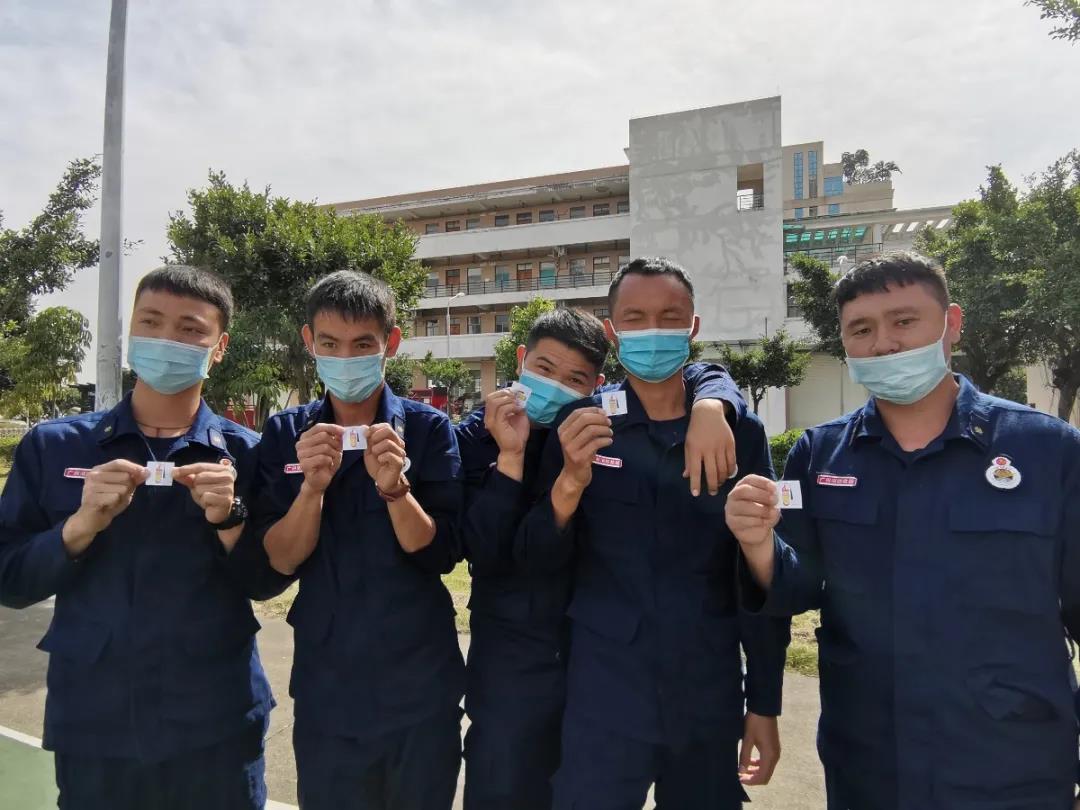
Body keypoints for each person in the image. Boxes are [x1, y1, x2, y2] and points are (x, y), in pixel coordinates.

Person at [726, 251, 1080, 809]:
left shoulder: (1046, 449)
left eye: (904, 320)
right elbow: (794, 589)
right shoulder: (819, 456)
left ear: (951, 324)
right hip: (869, 757)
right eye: (861, 329)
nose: (885, 344)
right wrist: (756, 544)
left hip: (1013, 757)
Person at [517, 257, 791, 810]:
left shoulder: (739, 430)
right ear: (612, 332)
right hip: (603, 690)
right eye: (635, 318)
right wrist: (569, 481)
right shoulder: (581, 425)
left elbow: (758, 574)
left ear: (693, 327)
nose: (653, 331)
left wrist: (763, 700)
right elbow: (537, 559)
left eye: (670, 316)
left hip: (706, 690)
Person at [0, 265, 274, 810]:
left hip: (215, 724)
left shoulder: (249, 454)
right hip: (95, 724)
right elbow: (9, 581)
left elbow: (267, 579)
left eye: (190, 329)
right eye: (151, 321)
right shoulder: (56, 447)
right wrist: (79, 529)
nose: (167, 339)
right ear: (130, 332)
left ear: (219, 348)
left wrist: (230, 518)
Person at [457, 307, 747, 810]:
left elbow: (693, 375)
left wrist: (712, 402)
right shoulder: (475, 436)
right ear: (522, 360)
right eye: (544, 370)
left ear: (597, 384)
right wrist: (509, 458)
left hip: (596, 663)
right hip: (513, 664)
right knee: (504, 786)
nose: (554, 386)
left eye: (575, 379)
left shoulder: (599, 428)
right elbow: (482, 550)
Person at [256, 270, 464, 810]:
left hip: (421, 682)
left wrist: (396, 490)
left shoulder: (428, 430)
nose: (345, 357)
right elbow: (275, 564)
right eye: (330, 344)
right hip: (330, 685)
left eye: (363, 344)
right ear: (309, 343)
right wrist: (311, 491)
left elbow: (441, 553)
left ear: (390, 343)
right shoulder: (286, 434)